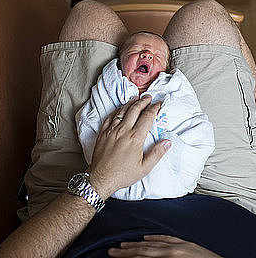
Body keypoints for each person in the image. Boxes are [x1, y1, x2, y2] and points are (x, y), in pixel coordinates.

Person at [0, 0, 256, 257]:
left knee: (89, 17)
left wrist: (98, 181)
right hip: (229, 211)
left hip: (74, 214)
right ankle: (249, 127)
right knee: (204, 16)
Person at [76, 31, 214, 201]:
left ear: (165, 71)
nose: (147, 54)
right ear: (120, 63)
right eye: (135, 50)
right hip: (112, 175)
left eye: (158, 55)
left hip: (170, 174)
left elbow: (192, 118)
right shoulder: (111, 86)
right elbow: (89, 119)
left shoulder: (173, 88)